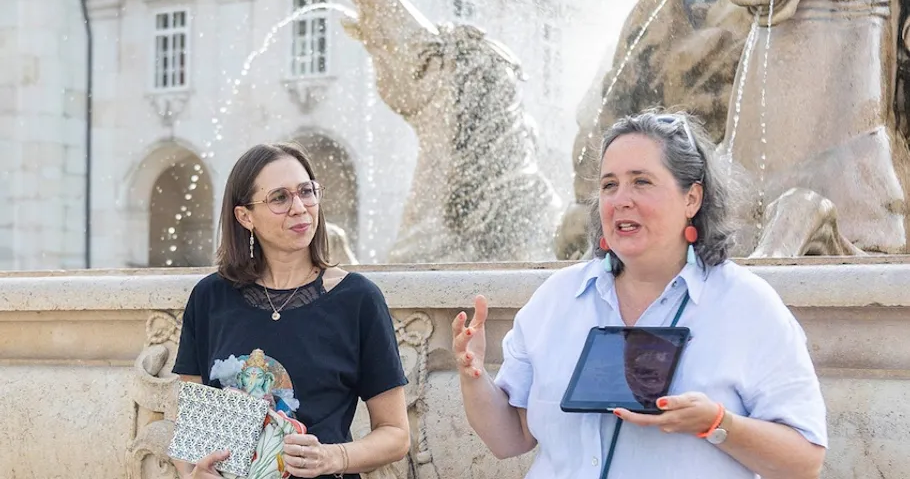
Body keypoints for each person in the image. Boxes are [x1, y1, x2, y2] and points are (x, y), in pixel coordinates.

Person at [452, 111, 827, 478]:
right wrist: (473, 374)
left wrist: (716, 423)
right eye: (609, 185)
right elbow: (510, 439)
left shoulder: (747, 306)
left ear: (692, 199)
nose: (621, 200)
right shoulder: (556, 298)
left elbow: (804, 462)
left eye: (641, 182)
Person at [171, 142, 410, 479]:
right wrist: (193, 475)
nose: (299, 207)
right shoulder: (209, 298)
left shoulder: (358, 299)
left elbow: (396, 434)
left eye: (306, 192)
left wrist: (333, 457)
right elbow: (190, 432)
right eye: (280, 198)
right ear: (245, 216)